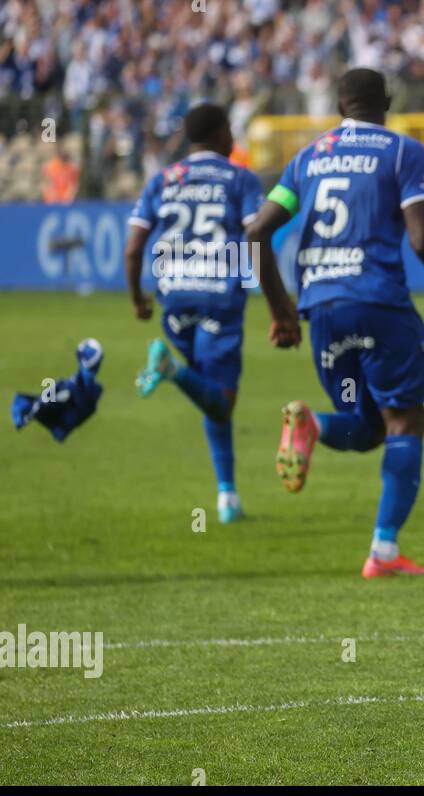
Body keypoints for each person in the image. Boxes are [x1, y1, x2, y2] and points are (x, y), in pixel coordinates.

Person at [244, 68, 424, 577]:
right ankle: (384, 551)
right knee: (406, 421)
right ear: (388, 102)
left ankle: (310, 425)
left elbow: (257, 230)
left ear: (338, 106)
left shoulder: (307, 160)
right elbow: (420, 240)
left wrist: (281, 311)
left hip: (323, 309)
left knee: (367, 424)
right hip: (379, 303)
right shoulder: (403, 153)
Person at [127, 104, 296, 524]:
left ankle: (227, 497)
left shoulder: (163, 179)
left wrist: (137, 299)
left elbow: (133, 248)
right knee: (221, 401)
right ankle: (170, 370)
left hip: (174, 298)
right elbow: (256, 238)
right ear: (223, 135)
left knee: (213, 396)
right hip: (219, 294)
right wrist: (280, 309)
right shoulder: (239, 179)